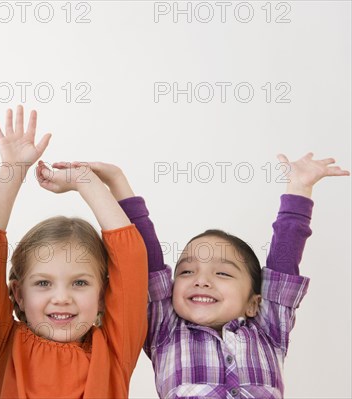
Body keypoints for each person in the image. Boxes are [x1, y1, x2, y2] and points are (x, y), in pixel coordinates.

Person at [83, 153, 349, 398]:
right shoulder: (165, 330)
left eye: (222, 273)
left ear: (254, 302)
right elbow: (146, 257)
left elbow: (284, 261)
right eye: (187, 271)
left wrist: (299, 189)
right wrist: (118, 183)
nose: (201, 280)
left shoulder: (269, 329)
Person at [0, 105, 148, 398]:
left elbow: (131, 259)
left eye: (80, 283)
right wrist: (13, 170)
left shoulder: (113, 351)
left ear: (102, 295)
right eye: (43, 283)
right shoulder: (2, 342)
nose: (61, 298)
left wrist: (86, 182)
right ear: (18, 293)